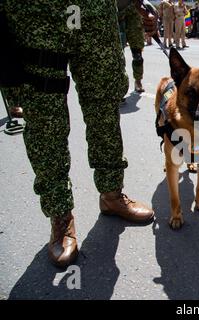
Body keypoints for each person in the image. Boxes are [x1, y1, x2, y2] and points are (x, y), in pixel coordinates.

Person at [0, 0, 156, 268]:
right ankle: (60, 215)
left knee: (105, 104)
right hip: (38, 13)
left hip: (95, 11)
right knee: (44, 116)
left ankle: (111, 194)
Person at [117, 0, 148, 92]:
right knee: (117, 58)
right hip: (118, 20)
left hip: (134, 22)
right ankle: (119, 88)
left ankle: (138, 81)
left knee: (138, 56)